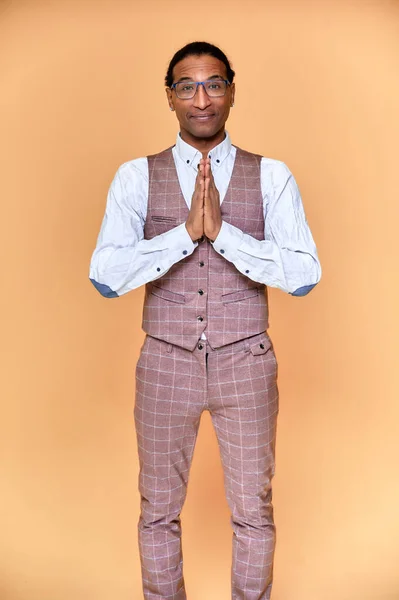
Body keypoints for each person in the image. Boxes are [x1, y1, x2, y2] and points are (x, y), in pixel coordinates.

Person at [89, 41, 321, 600]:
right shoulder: (134, 177)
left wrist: (224, 233)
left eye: (214, 84)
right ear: (169, 96)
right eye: (188, 86)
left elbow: (305, 274)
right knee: (158, 510)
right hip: (164, 362)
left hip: (247, 361)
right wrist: (184, 233)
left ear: (232, 91)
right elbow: (105, 276)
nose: (202, 98)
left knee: (253, 512)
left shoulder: (273, 176)